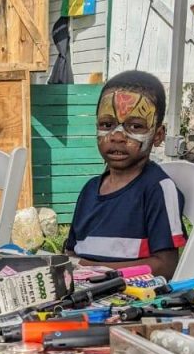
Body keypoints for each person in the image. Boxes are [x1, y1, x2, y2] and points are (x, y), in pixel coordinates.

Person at [63, 71, 187, 280]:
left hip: (131, 294)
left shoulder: (158, 189)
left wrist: (95, 271)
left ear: (158, 135)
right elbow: (72, 253)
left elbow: (166, 266)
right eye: (107, 125)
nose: (117, 136)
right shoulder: (89, 190)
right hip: (83, 290)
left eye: (135, 126)